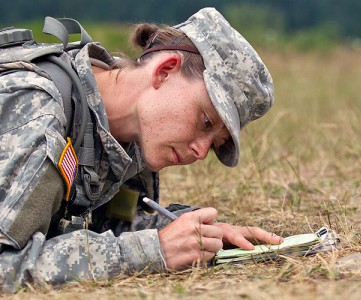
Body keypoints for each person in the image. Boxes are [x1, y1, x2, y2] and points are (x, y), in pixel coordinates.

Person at [0, 7, 282, 292]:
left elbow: (105, 226)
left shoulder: (129, 140)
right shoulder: (39, 112)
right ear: (165, 71)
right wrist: (150, 250)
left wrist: (198, 234)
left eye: (214, 145)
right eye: (205, 121)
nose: (200, 150)